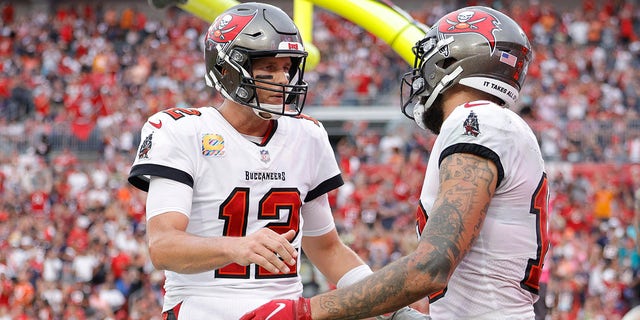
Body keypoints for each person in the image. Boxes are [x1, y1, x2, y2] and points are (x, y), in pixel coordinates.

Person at [241, 5, 550, 320]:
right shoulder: (495, 124)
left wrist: (306, 311)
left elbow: (431, 266)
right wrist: (393, 314)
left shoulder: (477, 120)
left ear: (450, 62)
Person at [128, 3, 425, 319]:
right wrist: (235, 247)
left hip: (287, 311)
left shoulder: (308, 135)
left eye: (287, 68)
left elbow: (327, 249)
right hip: (203, 307)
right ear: (226, 69)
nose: (282, 79)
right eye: (267, 68)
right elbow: (163, 246)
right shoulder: (182, 130)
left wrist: (388, 309)